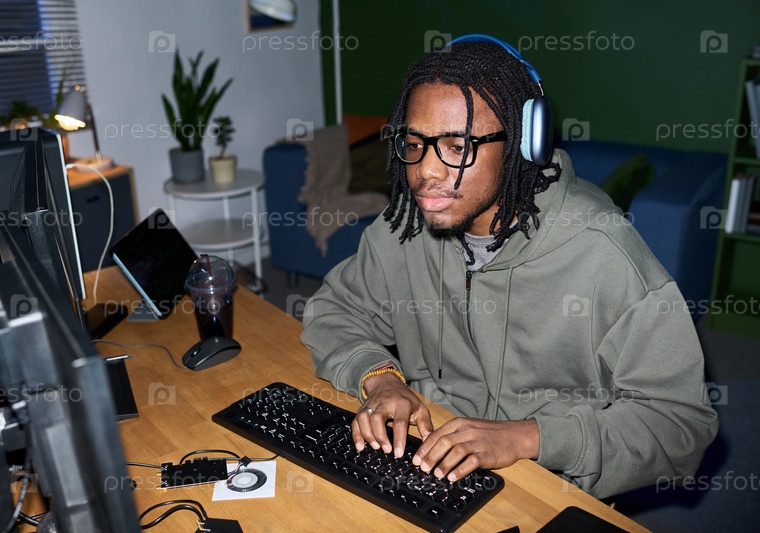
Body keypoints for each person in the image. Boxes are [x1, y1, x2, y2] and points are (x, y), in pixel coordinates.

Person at [300, 35, 718, 499]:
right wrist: (379, 378)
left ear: (524, 142)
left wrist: (528, 437)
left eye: (458, 146)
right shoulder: (407, 227)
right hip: (425, 455)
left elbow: (681, 425)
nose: (426, 172)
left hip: (548, 482)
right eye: (415, 143)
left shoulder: (605, 254)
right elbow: (333, 309)